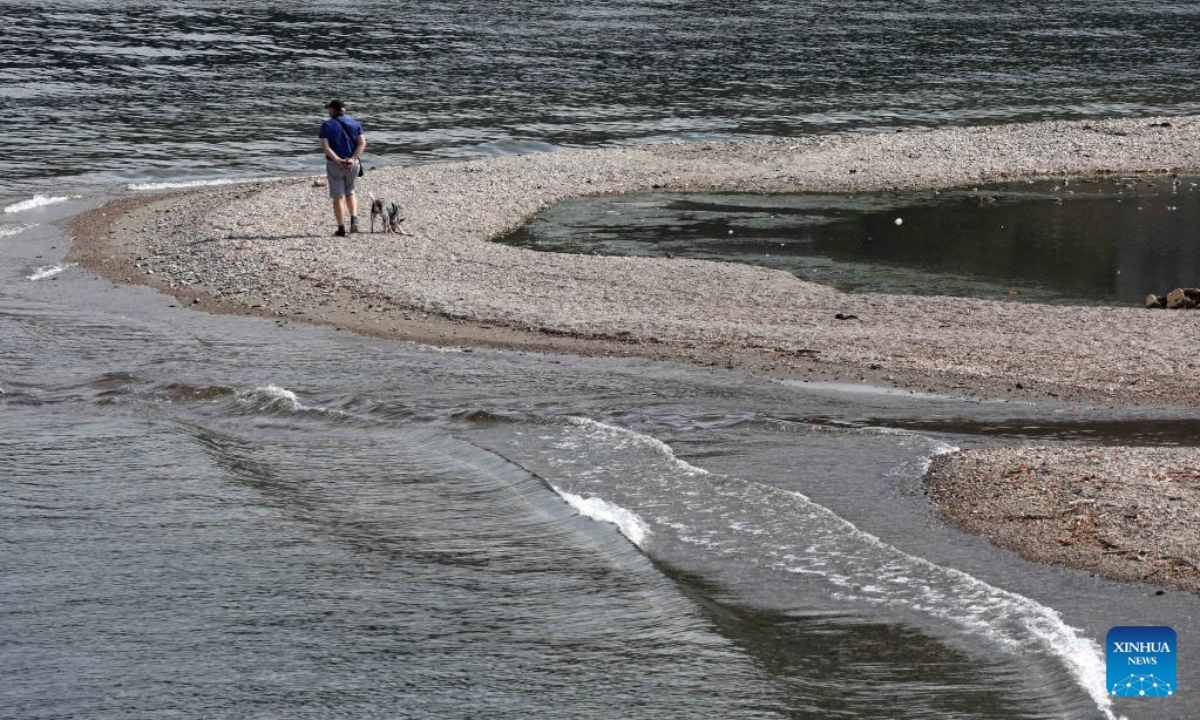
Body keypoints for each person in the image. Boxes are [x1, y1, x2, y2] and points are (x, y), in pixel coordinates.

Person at [319, 100, 367, 236]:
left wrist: (338, 161)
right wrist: (353, 159)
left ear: (333, 110)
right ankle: (353, 221)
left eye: (329, 109)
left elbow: (325, 147)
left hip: (335, 165)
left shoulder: (327, 125)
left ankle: (341, 228)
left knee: (338, 197)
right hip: (353, 164)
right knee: (350, 192)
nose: (328, 111)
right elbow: (362, 143)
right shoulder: (355, 123)